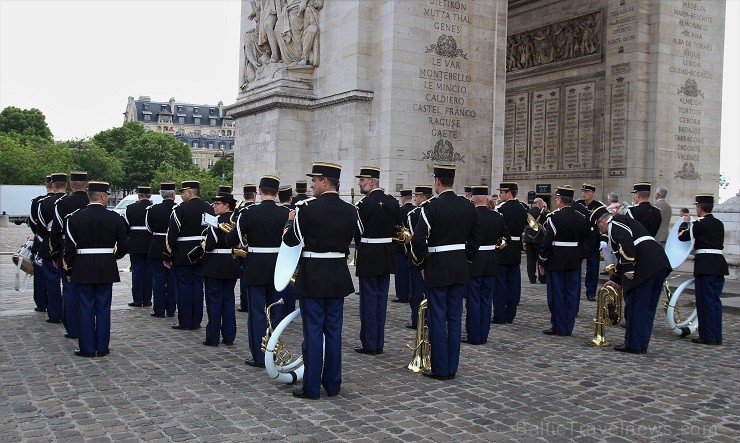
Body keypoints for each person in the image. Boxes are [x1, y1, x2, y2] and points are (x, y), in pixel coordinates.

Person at [282, 162, 359, 399]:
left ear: (325, 181)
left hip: (314, 273)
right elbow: (357, 238)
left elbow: (291, 240)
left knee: (313, 332)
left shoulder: (306, 208)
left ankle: (312, 387)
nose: (312, 185)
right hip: (337, 272)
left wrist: (290, 220)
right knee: (334, 332)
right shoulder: (351, 210)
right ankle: (333, 385)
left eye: (315, 181)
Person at [409, 165, 480, 380]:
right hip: (459, 265)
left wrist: (422, 264)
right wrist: (463, 258)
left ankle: (440, 368)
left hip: (437, 265)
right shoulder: (468, 206)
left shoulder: (431, 207)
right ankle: (452, 367)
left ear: (437, 181)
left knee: (438, 318)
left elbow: (419, 241)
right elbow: (476, 239)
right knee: (455, 317)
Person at [226, 176, 290, 367]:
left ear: (260, 191)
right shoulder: (284, 214)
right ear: (277, 193)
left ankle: (259, 356)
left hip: (254, 265)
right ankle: (274, 351)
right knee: (276, 311)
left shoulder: (249, 212)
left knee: (256, 312)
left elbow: (232, 239)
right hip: (277, 264)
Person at [591, 205, 671, 353]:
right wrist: (615, 279)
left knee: (635, 305)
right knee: (648, 308)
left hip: (643, 263)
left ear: (601, 221)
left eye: (597, 226)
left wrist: (628, 267)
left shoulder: (613, 224)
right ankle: (641, 343)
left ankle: (633, 344)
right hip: (658, 262)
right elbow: (624, 252)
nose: (599, 230)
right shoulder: (624, 220)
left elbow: (625, 242)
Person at [63, 181, 129, 357]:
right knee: (103, 307)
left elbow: (69, 248)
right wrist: (113, 257)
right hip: (106, 265)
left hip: (82, 266)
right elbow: (124, 245)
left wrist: (69, 269)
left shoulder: (74, 218)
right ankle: (102, 347)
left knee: (85, 307)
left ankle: (87, 347)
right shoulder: (115, 218)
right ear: (102, 196)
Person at [354, 166, 399, 355]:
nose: (359, 183)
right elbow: (398, 227)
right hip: (387, 253)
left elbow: (356, 232)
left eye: (363, 180)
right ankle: (378, 342)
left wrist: (361, 245)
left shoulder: (363, 204)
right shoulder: (392, 202)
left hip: (368, 253)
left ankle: (370, 343)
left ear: (373, 181)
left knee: (369, 300)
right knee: (381, 300)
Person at [538, 186, 589, 336]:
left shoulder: (554, 217)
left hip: (556, 259)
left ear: (560, 200)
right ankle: (568, 326)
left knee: (556, 294)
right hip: (573, 258)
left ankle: (558, 325)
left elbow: (547, 241)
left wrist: (542, 260)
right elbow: (584, 238)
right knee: (571, 293)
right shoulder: (580, 217)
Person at [678, 194, 728, 345]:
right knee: (714, 301)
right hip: (718, 263)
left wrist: (685, 223)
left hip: (705, 264)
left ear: (699, 208)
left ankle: (708, 336)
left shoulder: (699, 224)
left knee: (704, 301)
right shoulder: (719, 223)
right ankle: (716, 335)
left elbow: (682, 236)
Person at [164, 181, 214, 331]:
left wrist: (167, 255)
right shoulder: (208, 208)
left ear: (190, 193)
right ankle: (196, 320)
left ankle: (185, 321)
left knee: (184, 287)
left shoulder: (180, 209)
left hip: (183, 253)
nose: (181, 195)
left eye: (183, 192)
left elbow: (171, 234)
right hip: (201, 251)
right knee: (198, 287)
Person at [464, 185, 508, 345]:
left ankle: (474, 335)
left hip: (474, 260)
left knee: (473, 300)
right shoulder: (497, 216)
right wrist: (495, 249)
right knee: (486, 300)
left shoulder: (470, 216)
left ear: (473, 198)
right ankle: (483, 334)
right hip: (491, 260)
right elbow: (505, 239)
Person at [51, 171, 90, 339]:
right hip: (91, 252)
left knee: (70, 290)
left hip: (69, 250)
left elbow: (56, 232)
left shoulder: (62, 203)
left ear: (71, 185)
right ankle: (87, 326)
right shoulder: (94, 201)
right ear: (87, 184)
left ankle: (73, 328)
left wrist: (55, 255)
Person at [202, 192, 240, 347]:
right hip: (232, 262)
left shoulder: (215, 221)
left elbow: (209, 244)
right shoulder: (238, 221)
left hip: (215, 264)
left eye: (217, 204)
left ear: (227, 205)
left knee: (214, 302)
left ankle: (212, 337)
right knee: (229, 301)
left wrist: (203, 243)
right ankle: (229, 336)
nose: (214, 206)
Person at [493, 181, 528, 323]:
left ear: (509, 193)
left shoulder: (500, 209)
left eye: (502, 192)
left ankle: (500, 315)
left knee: (500, 284)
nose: (500, 195)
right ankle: (510, 314)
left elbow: (496, 228)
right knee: (513, 283)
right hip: (516, 247)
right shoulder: (523, 209)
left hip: (503, 247)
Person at [36, 173, 68, 324]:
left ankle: (55, 314)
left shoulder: (44, 203)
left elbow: (40, 226)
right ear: (66, 185)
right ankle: (67, 312)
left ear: (52, 186)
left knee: (52, 282)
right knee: (68, 282)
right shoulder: (69, 201)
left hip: (50, 241)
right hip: (68, 243)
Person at [145, 182, 178, 318]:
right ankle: (171, 309)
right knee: (172, 279)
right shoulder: (178, 208)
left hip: (157, 246)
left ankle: (158, 309)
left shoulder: (152, 209)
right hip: (174, 247)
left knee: (158, 279)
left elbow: (149, 228)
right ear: (173, 195)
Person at [404, 185, 433, 330]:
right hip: (433, 257)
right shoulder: (434, 209)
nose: (415, 198)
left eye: (417, 196)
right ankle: (429, 318)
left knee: (416, 292)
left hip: (418, 258)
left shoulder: (414, 214)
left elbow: (411, 240)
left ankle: (417, 320)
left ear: (422, 197)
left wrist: (419, 261)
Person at [123, 186, 153, 308]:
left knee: (136, 271)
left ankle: (137, 299)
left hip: (135, 243)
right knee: (148, 271)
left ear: (139, 195)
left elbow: (125, 227)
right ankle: (147, 299)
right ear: (149, 195)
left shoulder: (130, 208)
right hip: (150, 243)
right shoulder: (153, 209)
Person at [574, 183, 605, 302]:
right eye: (583, 191)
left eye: (586, 192)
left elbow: (602, 224)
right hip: (580, 240)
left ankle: (591, 291)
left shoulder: (599, 206)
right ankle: (575, 289)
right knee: (576, 267)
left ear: (592, 193)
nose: (584, 194)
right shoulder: (578, 204)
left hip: (593, 240)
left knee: (593, 267)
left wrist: (603, 239)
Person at [28, 175, 52, 313]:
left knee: (41, 276)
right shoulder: (65, 201)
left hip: (42, 241)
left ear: (47, 185)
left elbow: (33, 224)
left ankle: (41, 303)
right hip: (62, 243)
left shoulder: (38, 202)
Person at [236, 184, 257, 312]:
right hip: (253, 248)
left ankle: (244, 304)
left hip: (242, 248)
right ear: (255, 195)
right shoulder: (255, 210)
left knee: (244, 277)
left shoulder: (240, 211)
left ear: (244, 196)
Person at [391, 189, 414, 304]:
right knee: (411, 272)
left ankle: (402, 294)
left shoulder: (400, 211)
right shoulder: (415, 210)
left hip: (401, 246)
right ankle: (410, 292)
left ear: (402, 198)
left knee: (400, 273)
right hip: (412, 246)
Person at [523, 197, 547, 284]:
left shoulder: (528, 211)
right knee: (540, 259)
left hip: (528, 238)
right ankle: (542, 277)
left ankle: (532, 278)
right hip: (538, 238)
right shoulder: (543, 212)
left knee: (530, 260)